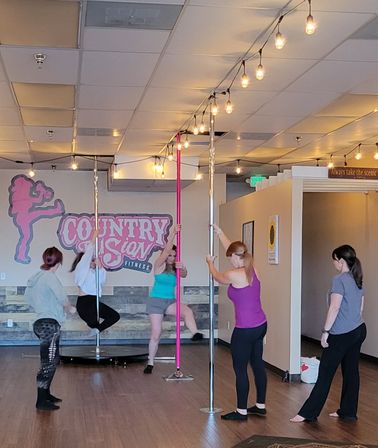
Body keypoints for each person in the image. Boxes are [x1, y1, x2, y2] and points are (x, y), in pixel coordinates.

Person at [291, 244, 367, 423]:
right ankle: (348, 412)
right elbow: (360, 307)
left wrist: (325, 332)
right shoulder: (357, 278)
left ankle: (307, 413)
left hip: (341, 334)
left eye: (334, 259)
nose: (333, 263)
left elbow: (334, 307)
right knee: (351, 371)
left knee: (325, 372)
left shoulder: (339, 279)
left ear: (340, 261)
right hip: (359, 330)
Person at [206, 224, 267, 421]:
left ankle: (241, 411)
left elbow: (217, 277)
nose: (229, 260)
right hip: (260, 325)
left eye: (230, 257)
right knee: (257, 363)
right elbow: (234, 249)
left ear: (235, 257)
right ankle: (260, 406)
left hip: (245, 330)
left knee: (240, 369)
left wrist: (210, 262)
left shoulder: (234, 274)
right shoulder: (253, 269)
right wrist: (220, 233)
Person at [144, 224, 203, 374]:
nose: (171, 257)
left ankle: (195, 333)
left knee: (187, 311)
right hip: (156, 302)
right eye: (169, 255)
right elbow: (165, 252)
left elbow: (184, 274)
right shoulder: (158, 265)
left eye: (174, 255)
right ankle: (150, 362)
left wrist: (181, 267)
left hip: (170, 302)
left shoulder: (176, 269)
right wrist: (173, 234)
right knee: (156, 333)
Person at [25, 247, 76, 411]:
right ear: (59, 261)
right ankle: (41, 401)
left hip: (41, 322)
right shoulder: (50, 277)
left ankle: (46, 394)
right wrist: (70, 308)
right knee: (48, 363)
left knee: (51, 360)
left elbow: (30, 299)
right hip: (49, 325)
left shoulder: (36, 278)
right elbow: (62, 298)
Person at [70, 230, 120, 335]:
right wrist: (94, 236)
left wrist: (100, 268)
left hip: (93, 301)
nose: (93, 262)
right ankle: (96, 329)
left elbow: (101, 282)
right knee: (96, 323)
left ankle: (97, 330)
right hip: (86, 303)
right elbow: (88, 253)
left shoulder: (93, 273)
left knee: (114, 316)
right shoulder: (81, 269)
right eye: (92, 260)